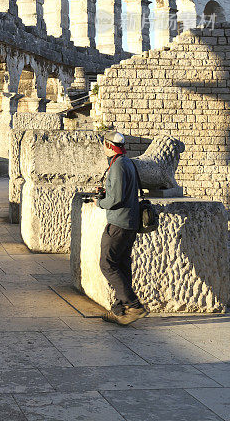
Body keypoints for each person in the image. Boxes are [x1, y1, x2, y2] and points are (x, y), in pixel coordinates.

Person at [94, 130, 148, 325]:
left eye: (104, 144)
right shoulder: (128, 162)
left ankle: (134, 305)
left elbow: (115, 199)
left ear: (109, 145)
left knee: (107, 264)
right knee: (122, 266)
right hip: (130, 222)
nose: (103, 147)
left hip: (118, 223)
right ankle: (120, 310)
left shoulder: (117, 166)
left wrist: (99, 203)